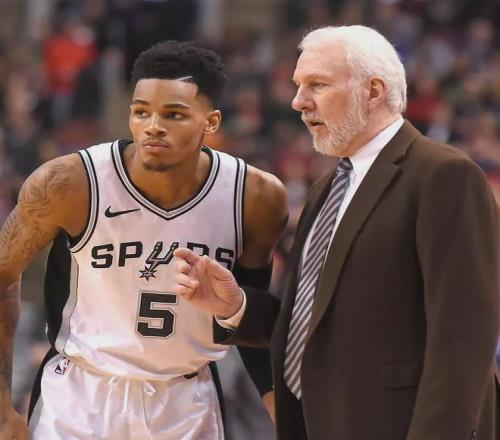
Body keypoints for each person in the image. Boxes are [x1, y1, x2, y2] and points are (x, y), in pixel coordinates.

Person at [172, 25, 500, 440]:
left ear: (373, 91)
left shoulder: (444, 175)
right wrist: (235, 305)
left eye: (317, 84)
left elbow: (463, 337)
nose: (298, 101)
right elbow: (316, 322)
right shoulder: (327, 187)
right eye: (298, 85)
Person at [0, 41, 288, 439]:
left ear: (211, 122)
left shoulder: (256, 197)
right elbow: (3, 274)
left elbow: (249, 320)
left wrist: (279, 407)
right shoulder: (70, 183)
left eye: (173, 114)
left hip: (186, 399)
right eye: (141, 112)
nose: (153, 125)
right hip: (80, 394)